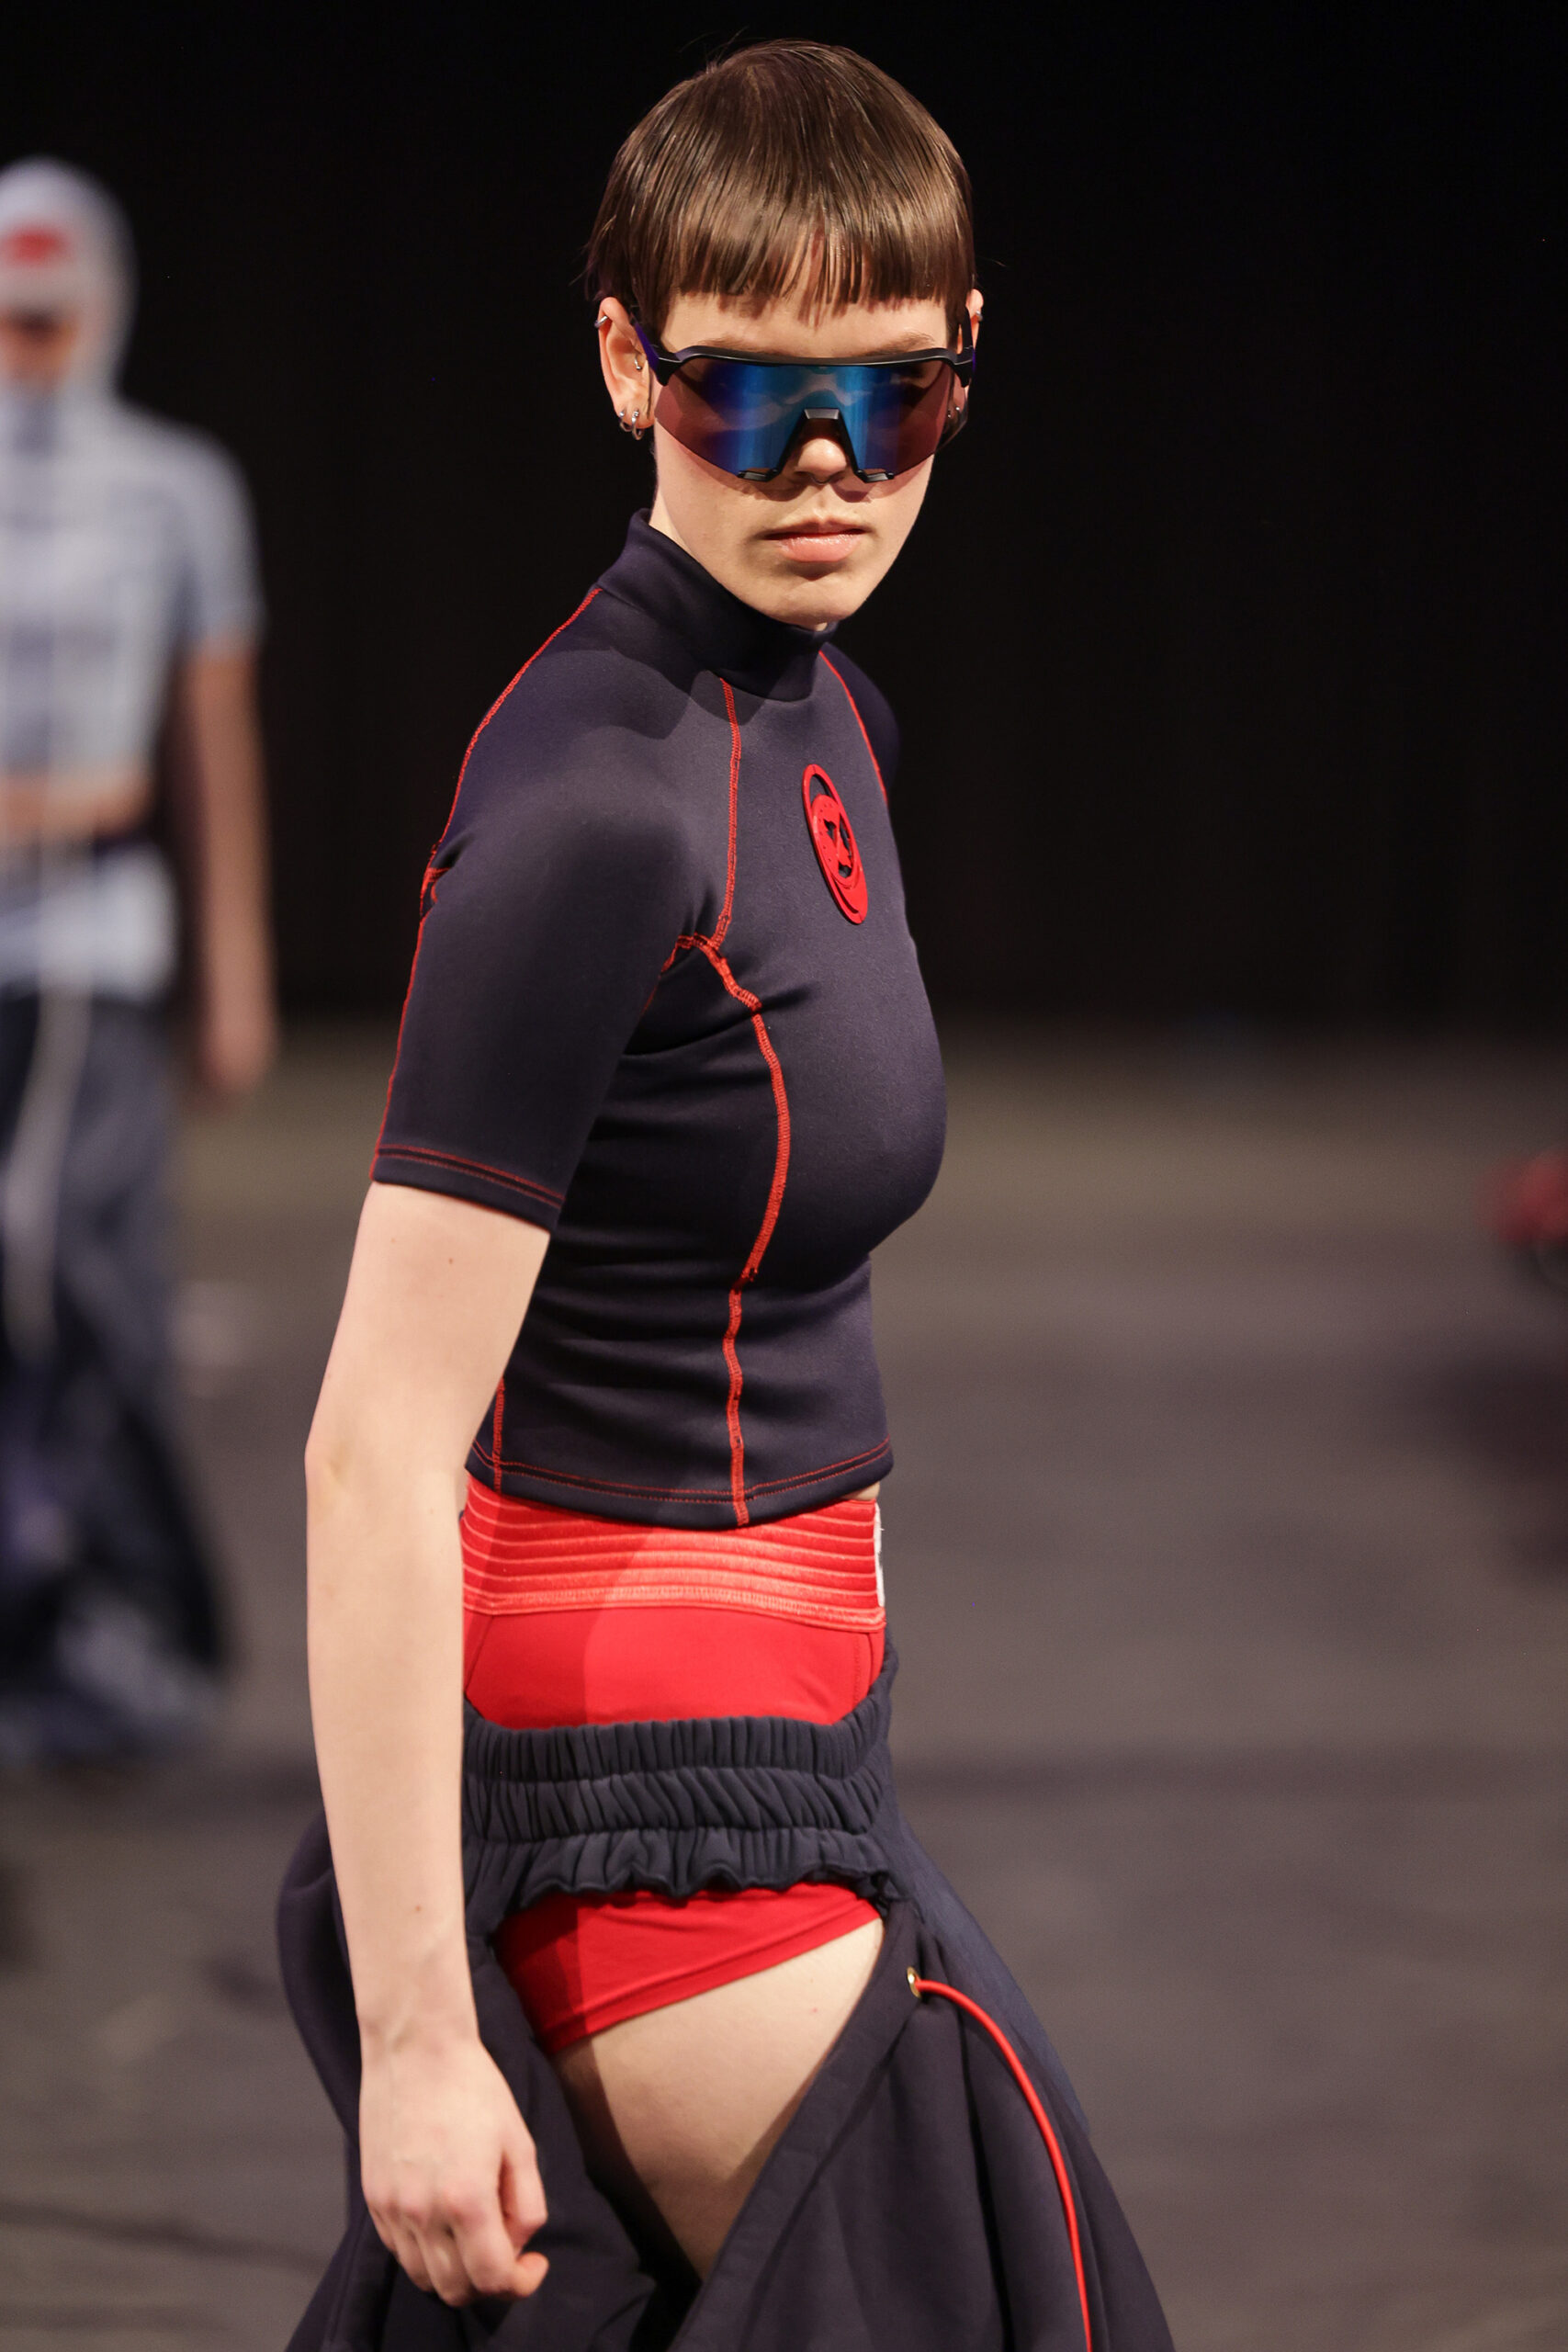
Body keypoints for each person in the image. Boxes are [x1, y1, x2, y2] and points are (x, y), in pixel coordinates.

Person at [280, 42, 1174, 2350]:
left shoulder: (823, 713)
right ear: (623, 363)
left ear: (964, 365)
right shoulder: (597, 808)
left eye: (893, 400)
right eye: (749, 392)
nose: (822, 466)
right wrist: (415, 2034)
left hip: (800, 1763)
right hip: (639, 1821)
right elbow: (376, 1447)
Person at [0, 160, 276, 1763]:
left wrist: (233, 964)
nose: (29, 354)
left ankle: (145, 1605)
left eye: (51, 320)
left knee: (78, 1266)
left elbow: (207, 739)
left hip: (94, 946)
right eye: (6, 323)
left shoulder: (172, 491)